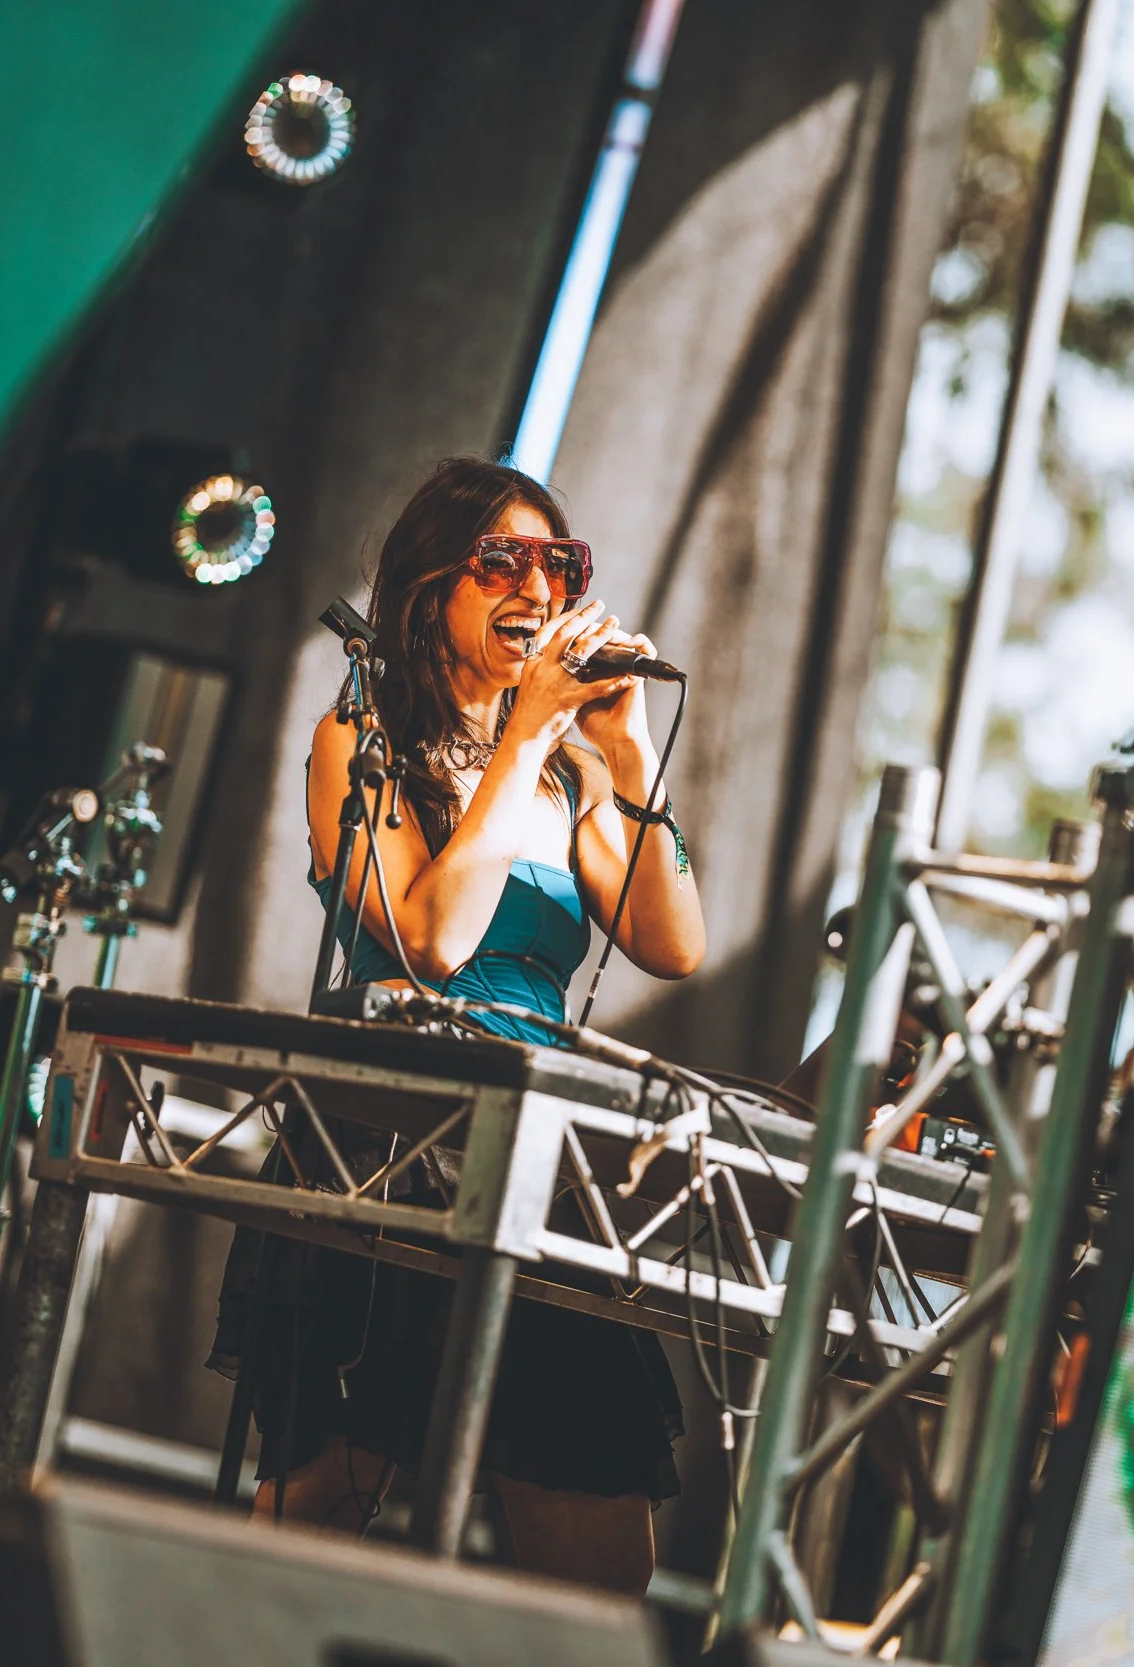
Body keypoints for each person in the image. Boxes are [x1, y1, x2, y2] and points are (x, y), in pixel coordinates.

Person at [215, 456, 705, 1593]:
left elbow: (672, 942)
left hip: (540, 1147)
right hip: (391, 1139)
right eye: (501, 560)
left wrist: (626, 758)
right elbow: (434, 935)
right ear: (428, 587)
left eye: (559, 563)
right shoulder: (362, 741)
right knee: (331, 1479)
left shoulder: (579, 776)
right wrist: (522, 739)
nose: (535, 582)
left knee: (590, 1527)